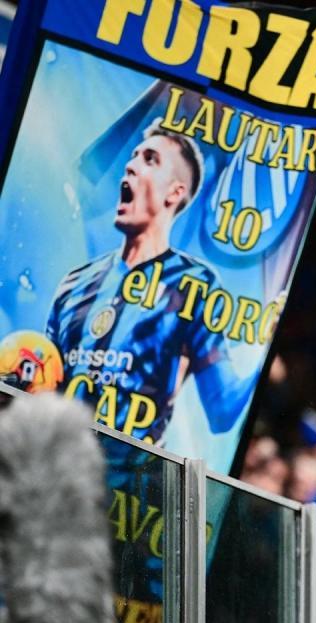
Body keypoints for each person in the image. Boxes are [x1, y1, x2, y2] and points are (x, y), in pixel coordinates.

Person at [46, 120, 250, 444]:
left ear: (175, 193)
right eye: (133, 156)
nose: (130, 165)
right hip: (54, 467)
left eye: (150, 159)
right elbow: (43, 391)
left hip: (128, 475)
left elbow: (222, 410)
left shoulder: (195, 286)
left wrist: (271, 348)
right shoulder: (74, 284)